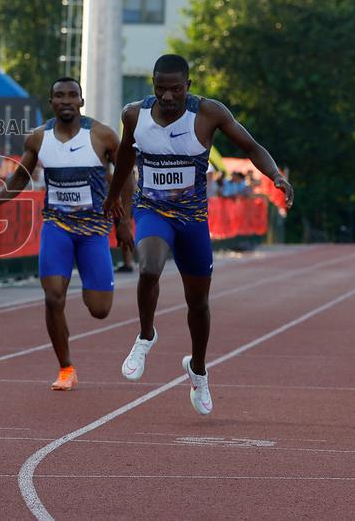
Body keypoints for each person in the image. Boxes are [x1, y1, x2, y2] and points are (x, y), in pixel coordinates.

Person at [104, 54, 293, 415]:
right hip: (153, 211)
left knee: (199, 305)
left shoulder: (209, 113)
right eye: (161, 89)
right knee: (149, 268)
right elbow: (125, 158)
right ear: (153, 87)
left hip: (192, 220)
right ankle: (146, 335)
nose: (168, 96)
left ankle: (199, 369)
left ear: (188, 86)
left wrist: (276, 177)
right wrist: (115, 199)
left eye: (176, 89)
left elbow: (251, 147)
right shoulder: (134, 115)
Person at [0, 77, 132, 391]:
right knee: (53, 297)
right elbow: (21, 177)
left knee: (100, 310)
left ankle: (88, 280)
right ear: (51, 102)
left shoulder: (103, 135)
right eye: (59, 96)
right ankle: (66, 368)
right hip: (57, 227)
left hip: (93, 230)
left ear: (81, 101)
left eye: (71, 95)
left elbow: (125, 176)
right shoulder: (39, 138)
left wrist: (124, 221)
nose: (66, 101)